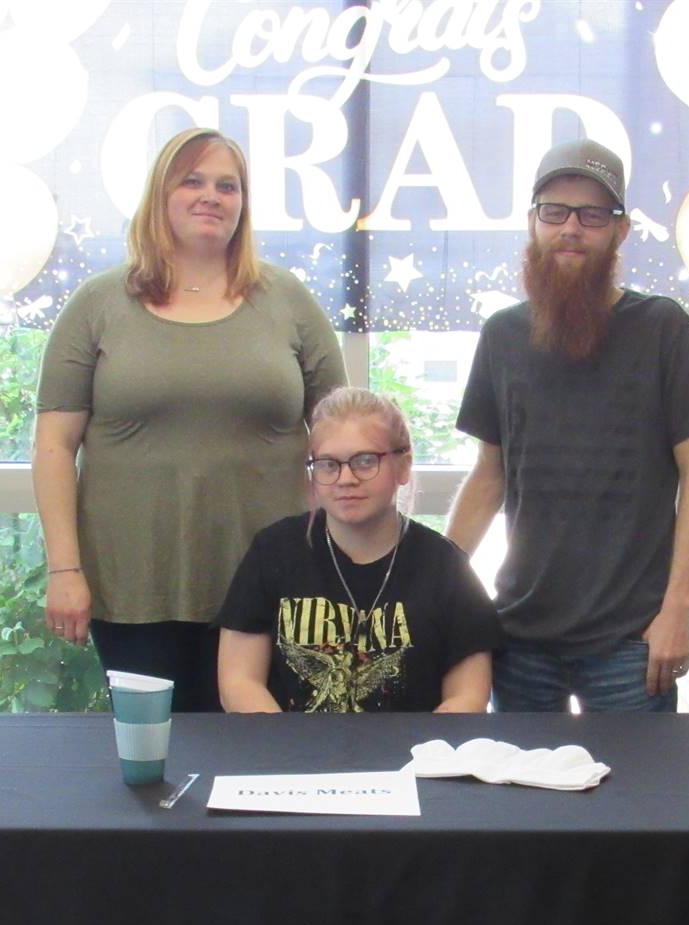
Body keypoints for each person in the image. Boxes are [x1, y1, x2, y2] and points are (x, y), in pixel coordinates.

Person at [33, 127, 347, 712]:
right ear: (160, 197)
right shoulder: (98, 305)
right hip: (132, 584)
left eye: (228, 185)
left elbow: (343, 437)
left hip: (271, 584)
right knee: (158, 763)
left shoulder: (287, 300)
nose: (212, 196)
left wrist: (340, 555)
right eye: (193, 181)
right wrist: (64, 568)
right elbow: (54, 446)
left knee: (262, 758)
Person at [447, 137, 689, 712]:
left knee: (637, 799)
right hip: (520, 637)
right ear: (532, 224)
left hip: (632, 640)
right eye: (555, 211)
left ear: (619, 231)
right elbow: (489, 477)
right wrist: (433, 582)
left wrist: (678, 610)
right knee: (523, 797)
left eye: (593, 214)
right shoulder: (501, 336)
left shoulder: (662, 329)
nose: (572, 228)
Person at [216, 388, 501, 714]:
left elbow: (468, 697)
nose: (346, 479)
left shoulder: (446, 567)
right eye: (328, 464)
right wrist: (293, 752)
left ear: (404, 466)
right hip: (291, 757)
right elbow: (239, 683)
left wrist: (418, 759)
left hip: (413, 759)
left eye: (365, 461)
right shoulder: (272, 553)